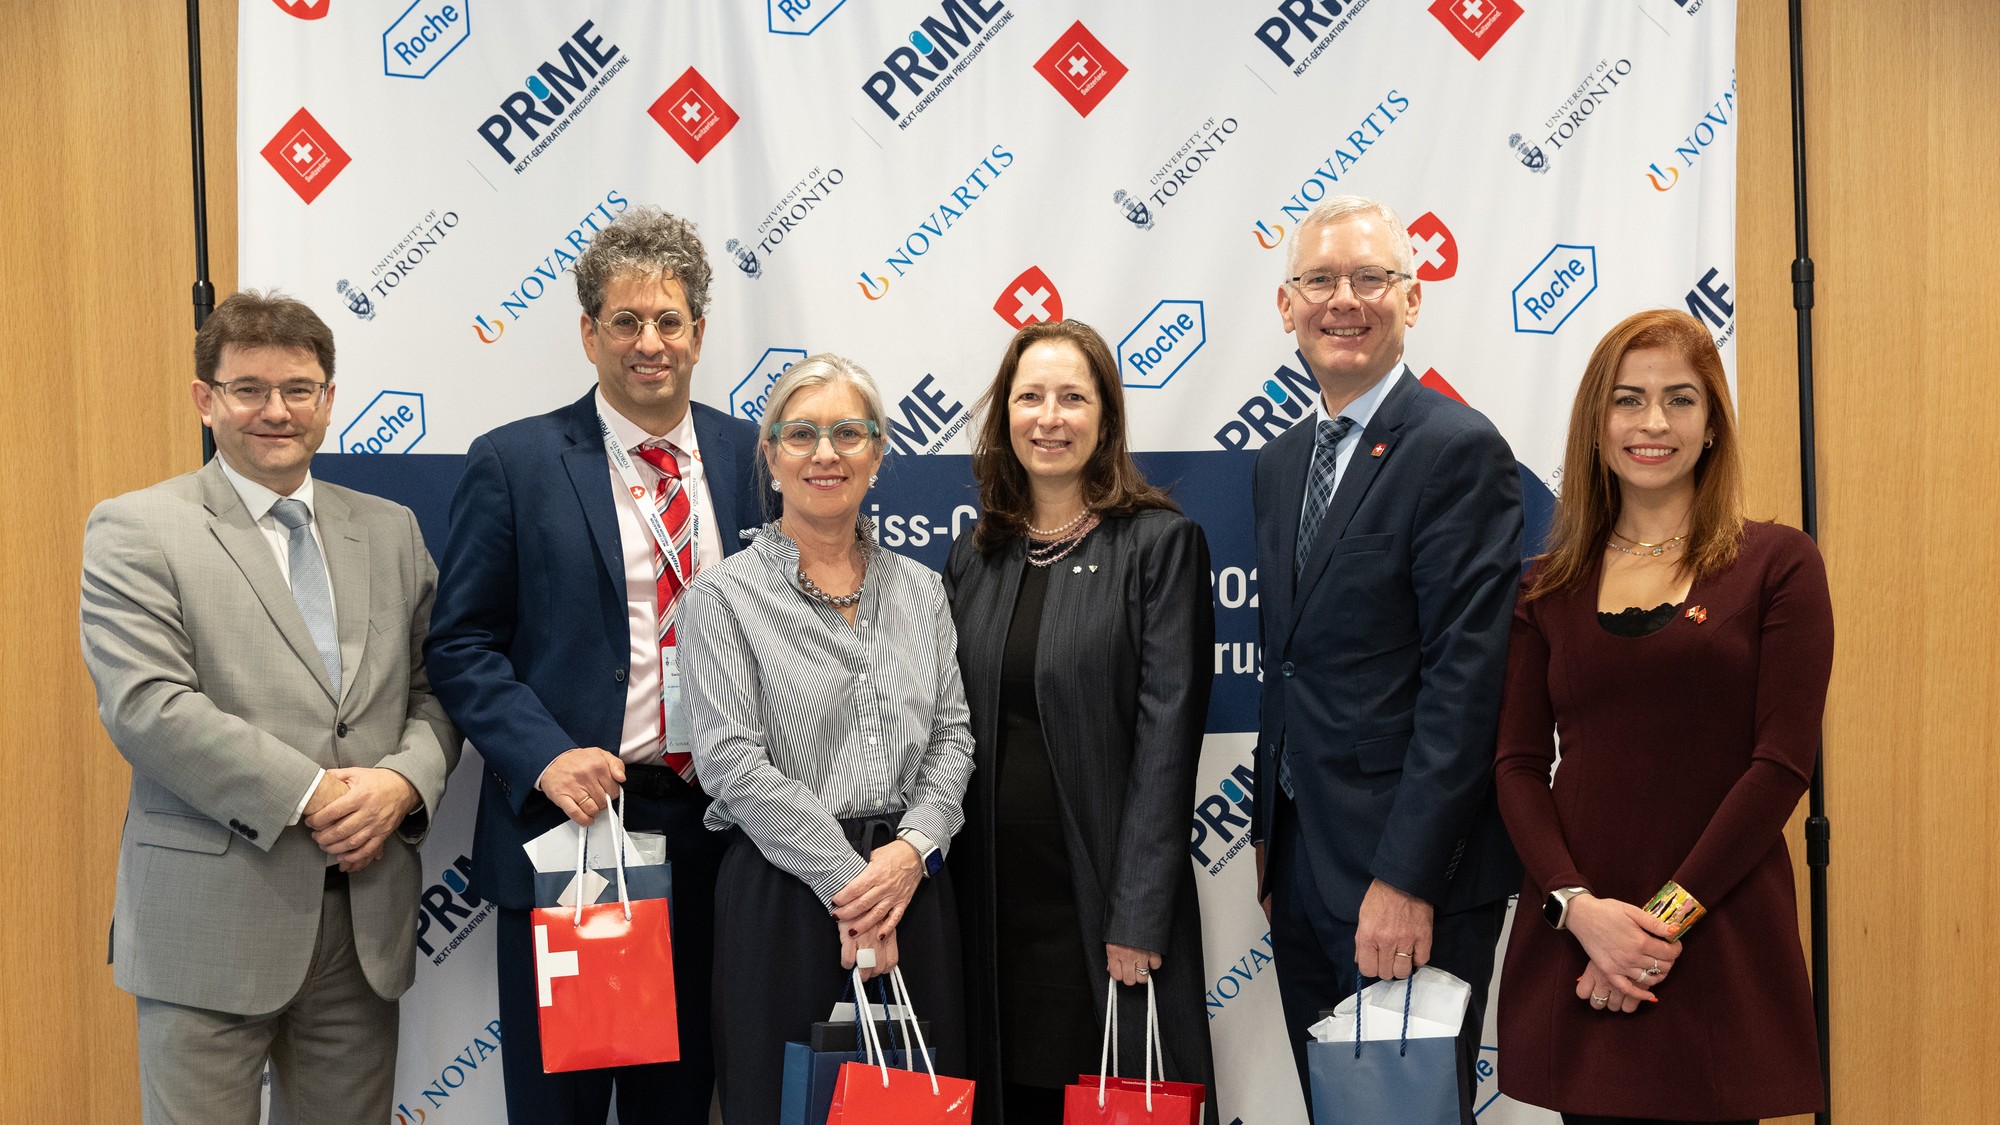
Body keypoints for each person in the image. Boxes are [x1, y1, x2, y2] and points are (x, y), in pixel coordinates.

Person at [79, 290, 459, 1124]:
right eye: (248, 388)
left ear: (328, 400)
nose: (275, 411)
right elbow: (147, 706)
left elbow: (439, 688)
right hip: (208, 927)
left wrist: (399, 785)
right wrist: (318, 793)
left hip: (362, 929)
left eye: (299, 388)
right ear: (204, 398)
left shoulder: (391, 530)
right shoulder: (138, 529)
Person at [424, 207, 763, 1123]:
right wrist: (544, 753)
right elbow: (459, 643)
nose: (648, 342)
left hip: (720, 839)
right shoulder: (517, 461)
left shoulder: (751, 457)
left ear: (698, 331)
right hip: (575, 833)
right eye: (625, 320)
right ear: (588, 332)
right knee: (561, 1106)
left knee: (681, 1104)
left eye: (668, 320)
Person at [1493, 309, 1831, 1124]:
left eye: (1680, 399)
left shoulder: (1778, 564)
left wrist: (1653, 932)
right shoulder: (1544, 586)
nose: (1653, 422)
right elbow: (1514, 764)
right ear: (1596, 426)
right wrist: (1583, 914)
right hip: (1581, 941)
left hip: (1717, 937)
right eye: (1628, 400)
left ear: (1712, 422)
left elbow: (1782, 763)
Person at [1249, 195, 1524, 1120]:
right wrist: (1267, 844)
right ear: (1286, 306)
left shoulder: (1458, 448)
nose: (1345, 300)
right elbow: (1290, 667)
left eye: (1371, 279)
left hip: (1409, 882)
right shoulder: (1281, 463)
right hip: (1301, 869)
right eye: (1320, 280)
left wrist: (1406, 880)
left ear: (1413, 301)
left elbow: (1465, 683)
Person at [679, 353, 975, 1125]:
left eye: (849, 432)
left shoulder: (923, 587)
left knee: (912, 1107)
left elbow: (953, 736)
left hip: (914, 888)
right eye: (802, 433)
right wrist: (855, 889)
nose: (825, 453)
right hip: (786, 896)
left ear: (877, 453)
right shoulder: (720, 597)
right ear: (771, 455)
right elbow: (730, 763)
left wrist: (909, 856)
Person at [943, 320, 1218, 1124]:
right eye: (1029, 396)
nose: (1048, 416)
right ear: (1005, 418)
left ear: (1105, 417)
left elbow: (1169, 747)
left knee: (1108, 1098)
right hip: (992, 902)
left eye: (1072, 396)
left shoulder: (1159, 547)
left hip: (1101, 904)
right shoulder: (976, 556)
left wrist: (1136, 913)